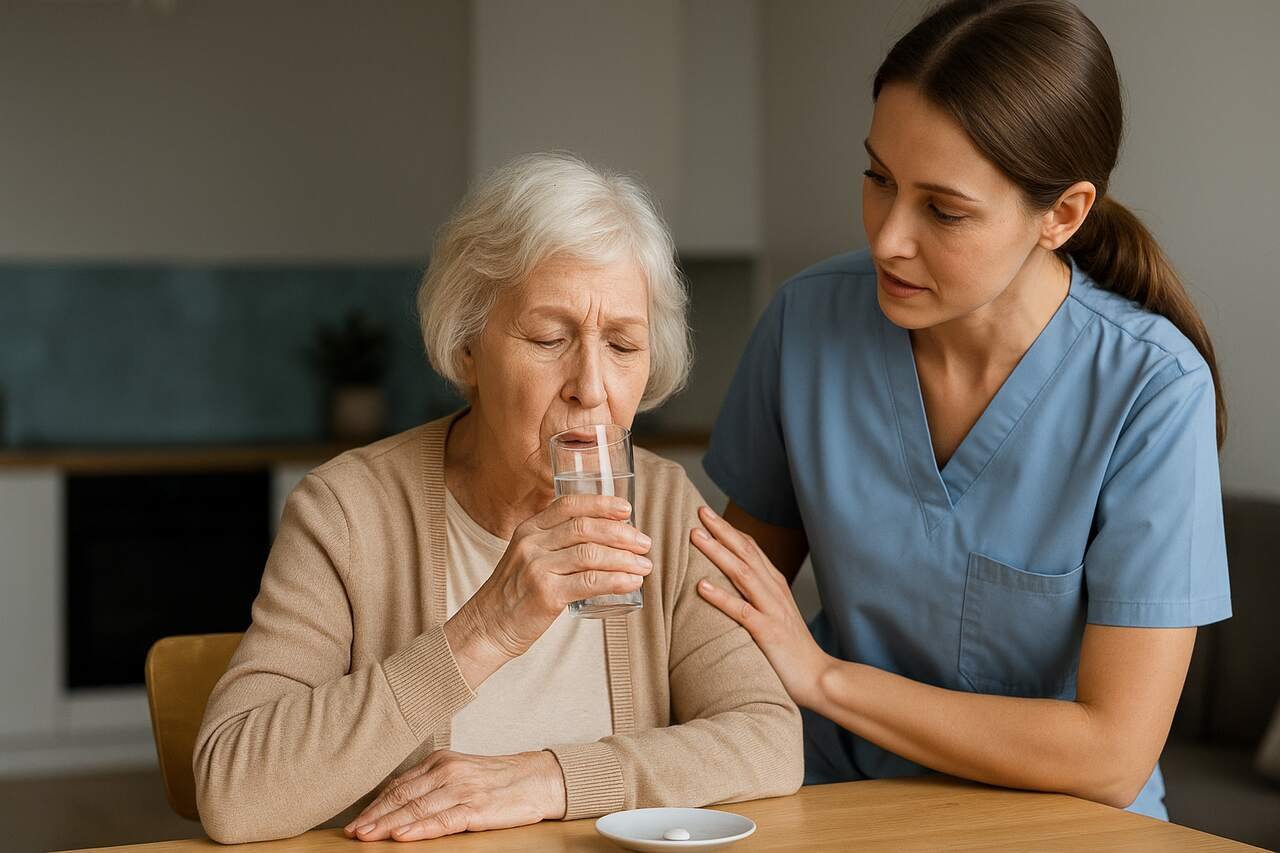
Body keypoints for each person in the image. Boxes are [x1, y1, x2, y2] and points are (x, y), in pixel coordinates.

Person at [691, 0, 1229, 821]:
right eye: (878, 179)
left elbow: (1114, 754)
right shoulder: (808, 324)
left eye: (942, 210)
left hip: (1064, 824)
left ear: (1063, 214)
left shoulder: (1154, 390)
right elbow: (722, 616)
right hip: (832, 802)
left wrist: (825, 676)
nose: (886, 238)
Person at [193, 152, 802, 844]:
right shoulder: (348, 512)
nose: (591, 386)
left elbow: (770, 739)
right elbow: (232, 792)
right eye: (549, 337)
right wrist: (486, 628)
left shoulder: (660, 503)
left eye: (624, 345)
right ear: (466, 350)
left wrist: (549, 779)